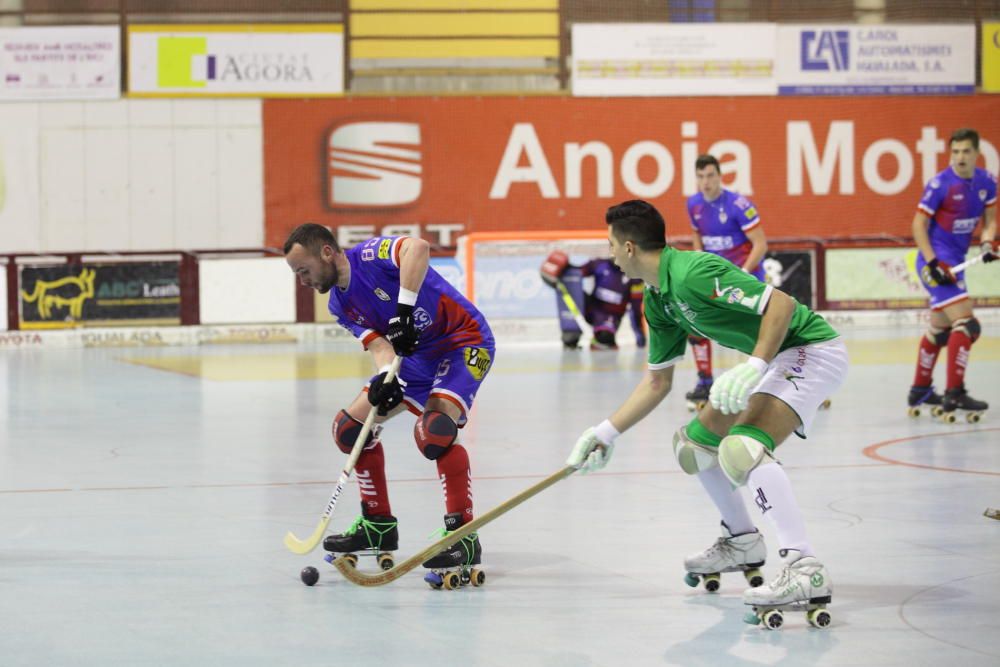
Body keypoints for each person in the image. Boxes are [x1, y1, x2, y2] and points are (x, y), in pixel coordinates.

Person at [565, 200, 848, 619]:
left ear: (628, 247)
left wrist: (753, 366)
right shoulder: (657, 300)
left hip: (811, 351)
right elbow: (658, 382)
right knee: (694, 446)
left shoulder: (694, 273)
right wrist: (604, 432)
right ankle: (741, 540)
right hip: (777, 359)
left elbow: (782, 305)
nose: (609, 255)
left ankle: (804, 566)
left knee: (741, 448)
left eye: (610, 246)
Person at [284, 223, 495, 579]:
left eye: (303, 270)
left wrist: (404, 309)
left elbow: (418, 248)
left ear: (326, 252)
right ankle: (376, 523)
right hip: (416, 358)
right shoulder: (339, 303)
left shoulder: (368, 256)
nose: (302, 280)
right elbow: (382, 347)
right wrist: (386, 377)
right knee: (350, 429)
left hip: (464, 342)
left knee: (434, 431)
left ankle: (463, 534)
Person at [909, 128, 997, 417]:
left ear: (976, 153)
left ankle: (920, 390)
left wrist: (986, 242)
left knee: (941, 330)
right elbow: (918, 225)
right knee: (968, 326)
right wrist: (933, 262)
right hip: (934, 264)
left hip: (957, 262)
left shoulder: (987, 182)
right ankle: (954, 393)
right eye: (955, 151)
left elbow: (990, 221)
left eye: (965, 151)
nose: (960, 157)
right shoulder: (940, 184)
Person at [684, 154, 769, 409]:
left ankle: (777, 381)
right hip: (713, 281)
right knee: (694, 325)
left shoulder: (739, 205)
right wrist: (698, 260)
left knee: (757, 334)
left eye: (710, 176)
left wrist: (742, 273)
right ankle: (705, 382)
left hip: (744, 279)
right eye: (700, 177)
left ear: (720, 176)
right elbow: (697, 235)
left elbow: (760, 244)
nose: (705, 182)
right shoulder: (693, 204)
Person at [540, 250, 645, 350]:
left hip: (611, 317)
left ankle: (601, 337)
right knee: (570, 283)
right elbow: (576, 273)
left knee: (605, 340)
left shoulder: (635, 278)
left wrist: (640, 336)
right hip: (591, 309)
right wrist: (560, 269)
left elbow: (636, 309)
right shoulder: (599, 264)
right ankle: (570, 335)